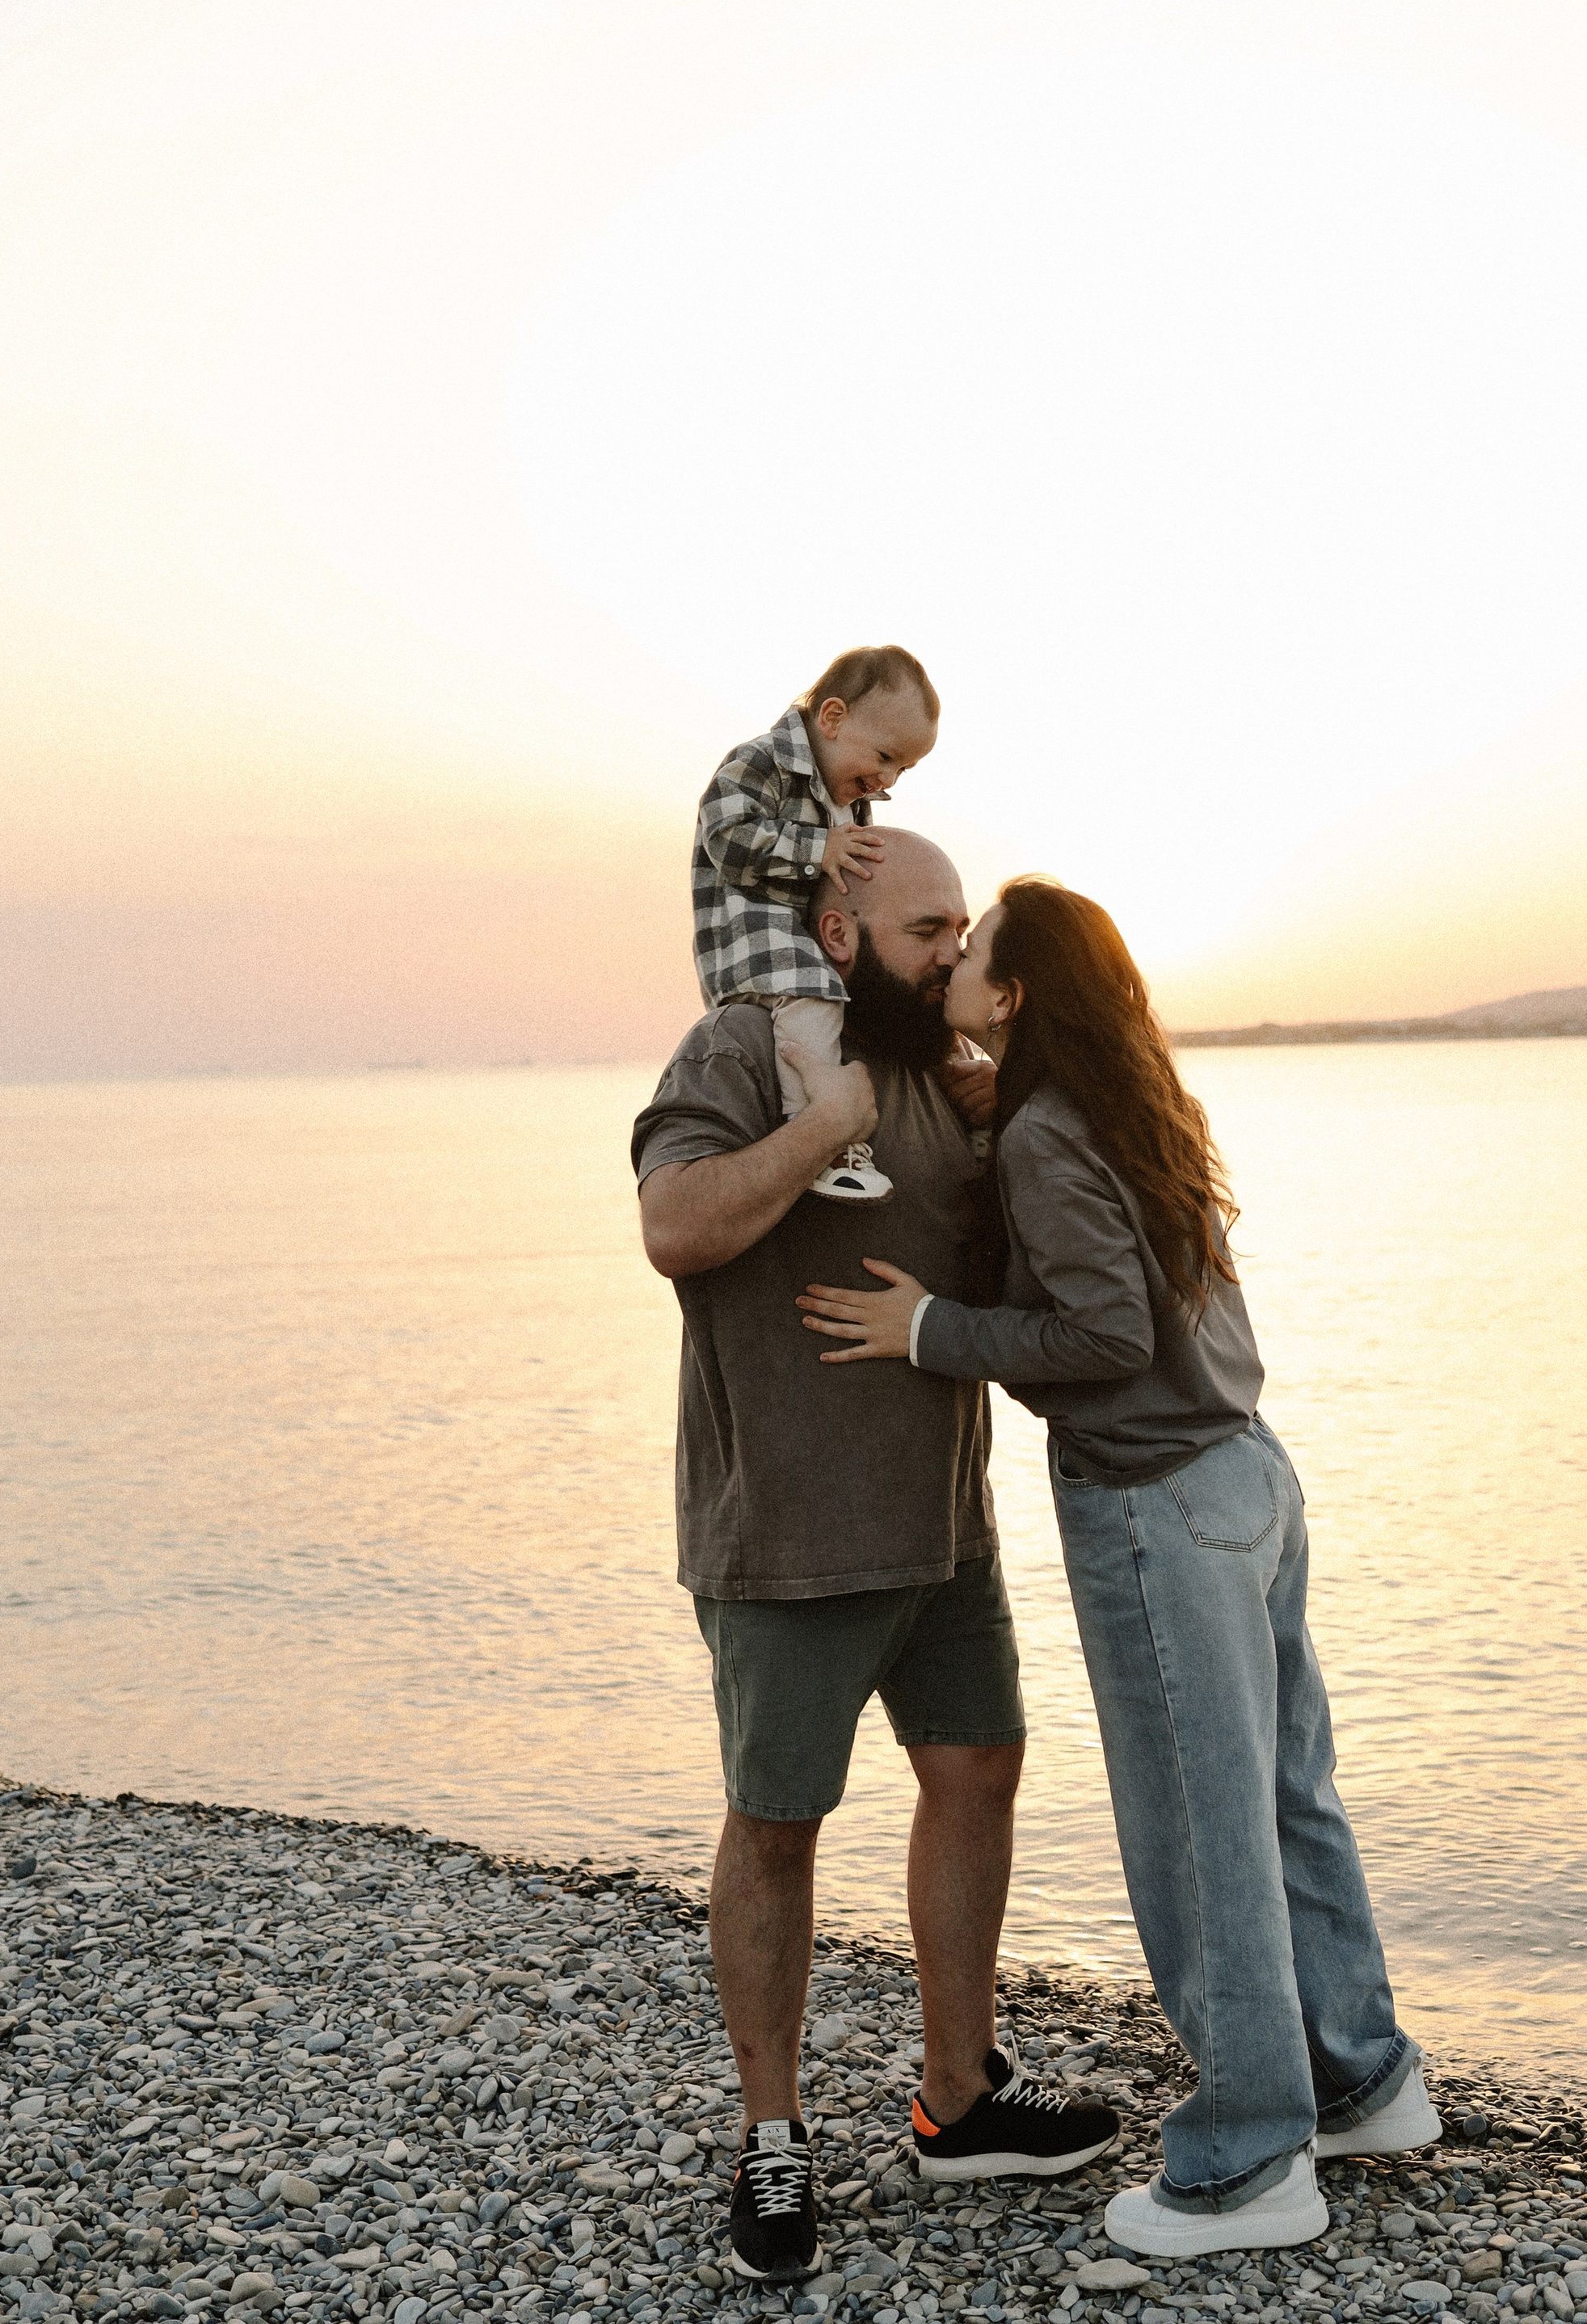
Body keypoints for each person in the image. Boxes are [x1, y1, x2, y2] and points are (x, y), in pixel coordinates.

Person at [796, 875, 1440, 2264]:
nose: (954, 962)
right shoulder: (1134, 1099)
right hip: (1252, 1475)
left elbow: (1102, 1339)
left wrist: (931, 1331)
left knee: (1200, 1839)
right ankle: (1363, 2084)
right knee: (1288, 1805)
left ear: (1018, 996)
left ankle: (1246, 2167)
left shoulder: (1044, 1132)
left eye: (976, 956)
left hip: (1158, 1503)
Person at [634, 834, 1121, 2286]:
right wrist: (821, 1123)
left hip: (942, 1531)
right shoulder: (738, 1049)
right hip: (786, 1536)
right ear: (836, 926)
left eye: (961, 926)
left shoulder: (937, 1070)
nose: (950, 949)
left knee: (979, 1770)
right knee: (776, 1827)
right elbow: (674, 1226)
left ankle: (959, 2097)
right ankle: (772, 2135)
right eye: (927, 926)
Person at [692, 644, 941, 1202]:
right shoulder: (762, 763)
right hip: (756, 939)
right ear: (831, 718)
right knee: (814, 996)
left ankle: (955, 1118)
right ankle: (816, 1136)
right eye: (884, 756)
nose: (887, 779)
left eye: (903, 768)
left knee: (897, 994)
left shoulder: (848, 797)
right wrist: (818, 846)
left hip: (811, 940)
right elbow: (725, 837)